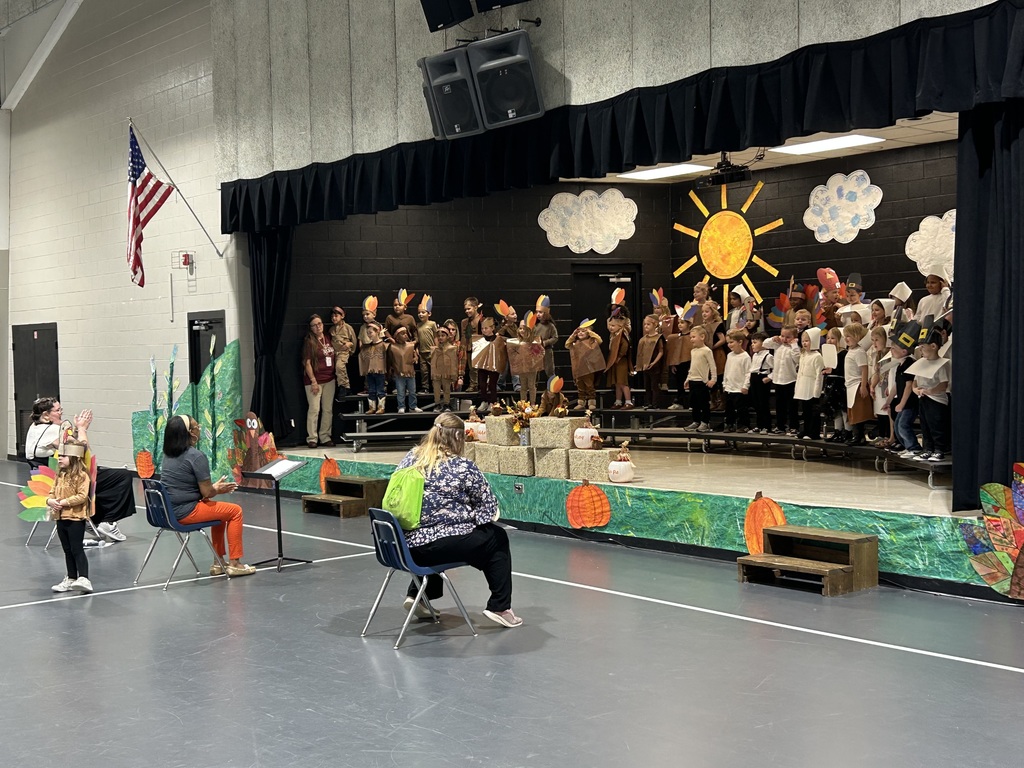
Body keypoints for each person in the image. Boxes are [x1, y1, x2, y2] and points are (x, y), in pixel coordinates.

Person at [396, 412, 522, 628]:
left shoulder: (411, 457)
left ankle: (418, 595)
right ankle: (500, 607)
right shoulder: (463, 467)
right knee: (497, 538)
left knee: (437, 534)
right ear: (458, 438)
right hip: (438, 547)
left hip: (405, 547)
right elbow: (488, 511)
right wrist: (467, 517)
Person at [160, 414, 255, 577]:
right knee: (235, 511)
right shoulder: (196, 456)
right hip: (186, 512)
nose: (199, 429)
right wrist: (217, 489)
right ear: (190, 433)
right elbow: (207, 492)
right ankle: (235, 563)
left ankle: (218, 562)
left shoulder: (167, 456)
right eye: (197, 427)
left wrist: (212, 489)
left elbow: (189, 489)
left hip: (167, 512)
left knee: (219, 512)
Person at [26, 399, 132, 542]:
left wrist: (75, 430)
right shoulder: (51, 430)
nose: (61, 412)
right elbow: (81, 451)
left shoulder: (34, 427)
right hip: (64, 482)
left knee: (103, 475)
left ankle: (93, 520)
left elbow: (68, 444)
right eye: (57, 410)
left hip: (52, 479)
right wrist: (82, 429)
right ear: (46, 415)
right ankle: (107, 521)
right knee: (122, 476)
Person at [48, 438, 94, 594]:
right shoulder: (60, 475)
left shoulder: (82, 476)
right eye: (59, 455)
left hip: (75, 518)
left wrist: (65, 502)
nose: (59, 458)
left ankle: (84, 578)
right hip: (60, 517)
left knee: (76, 548)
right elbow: (52, 491)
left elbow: (82, 496)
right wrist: (50, 500)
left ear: (74, 458)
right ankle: (71, 577)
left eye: (63, 456)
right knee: (67, 549)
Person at [302, 313, 335, 448]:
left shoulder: (328, 338)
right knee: (314, 409)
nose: (318, 327)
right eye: (314, 325)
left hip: (330, 379)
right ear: (311, 328)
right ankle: (312, 438)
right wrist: (313, 381)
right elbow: (307, 363)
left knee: (327, 409)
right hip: (315, 380)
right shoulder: (309, 341)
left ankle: (325, 436)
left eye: (319, 324)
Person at [683, 326, 716, 432]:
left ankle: (705, 422)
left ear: (702, 337)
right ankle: (696, 421)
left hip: (702, 382)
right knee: (694, 403)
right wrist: (688, 379)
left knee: (704, 403)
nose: (691, 339)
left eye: (693, 337)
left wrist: (713, 379)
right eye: (690, 337)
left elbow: (712, 366)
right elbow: (692, 366)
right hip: (693, 380)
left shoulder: (707, 351)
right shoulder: (693, 351)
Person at [329, 306, 357, 400]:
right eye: (332, 316)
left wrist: (351, 348)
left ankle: (343, 387)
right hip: (334, 353)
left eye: (336, 316)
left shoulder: (348, 328)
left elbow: (354, 340)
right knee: (339, 370)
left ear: (342, 316)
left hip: (343, 352)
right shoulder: (331, 330)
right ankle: (346, 387)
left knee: (339, 366)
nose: (334, 318)